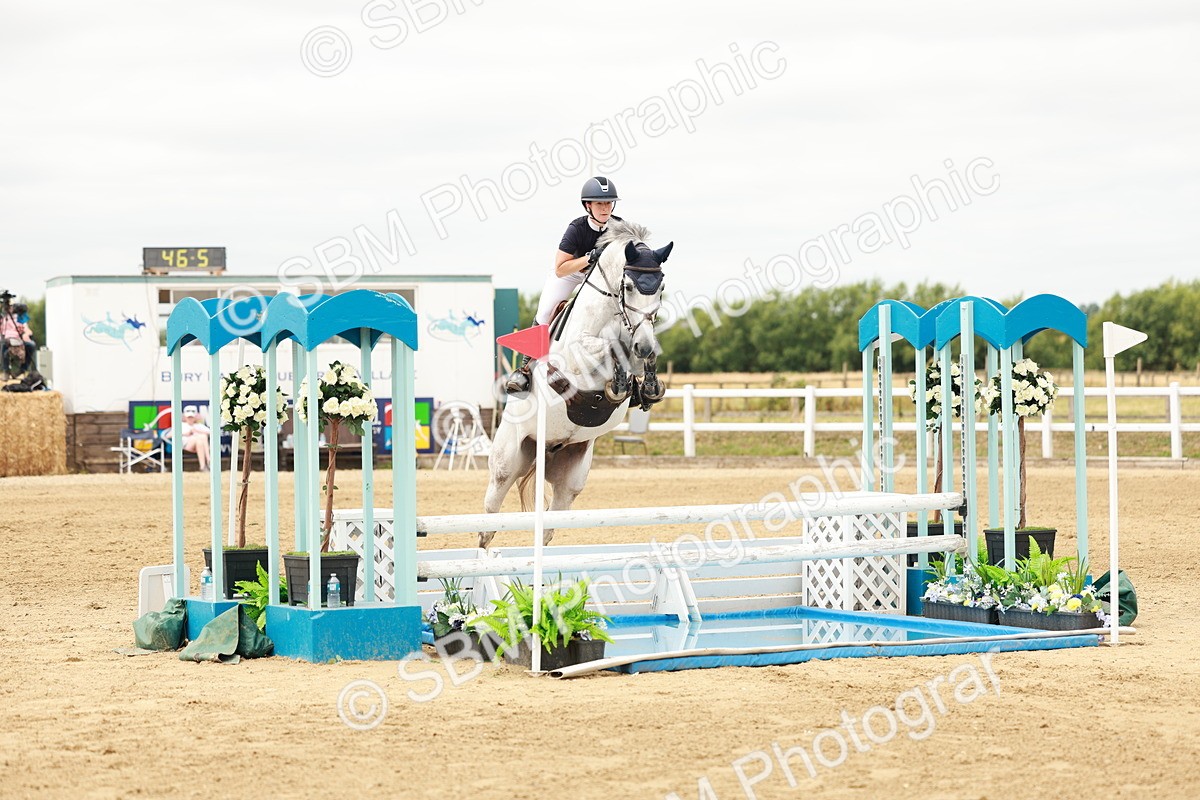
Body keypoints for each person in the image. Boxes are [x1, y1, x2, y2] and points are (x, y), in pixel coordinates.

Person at [505, 176, 622, 394]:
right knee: (544, 312)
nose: (605, 208)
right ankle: (525, 370)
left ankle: (631, 376)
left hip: (599, 279)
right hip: (571, 273)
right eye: (599, 203)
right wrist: (590, 257)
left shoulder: (618, 227)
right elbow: (560, 268)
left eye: (608, 203)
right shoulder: (576, 228)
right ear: (588, 205)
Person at [0, 304, 35, 375]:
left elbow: (27, 330)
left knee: (31, 345)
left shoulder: (20, 318)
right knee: (4, 343)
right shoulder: (3, 318)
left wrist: (26, 334)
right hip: (7, 340)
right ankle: (6, 371)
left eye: (11, 306)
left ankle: (23, 369)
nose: (10, 308)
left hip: (19, 340)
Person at [180, 406, 212, 471]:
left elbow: (211, 432)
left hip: (199, 445)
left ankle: (203, 466)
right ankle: (209, 459)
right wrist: (186, 433)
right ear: (185, 417)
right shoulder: (181, 425)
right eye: (189, 417)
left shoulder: (199, 425)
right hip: (185, 446)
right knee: (201, 437)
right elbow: (168, 435)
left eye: (191, 417)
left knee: (201, 439)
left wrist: (197, 431)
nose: (190, 419)